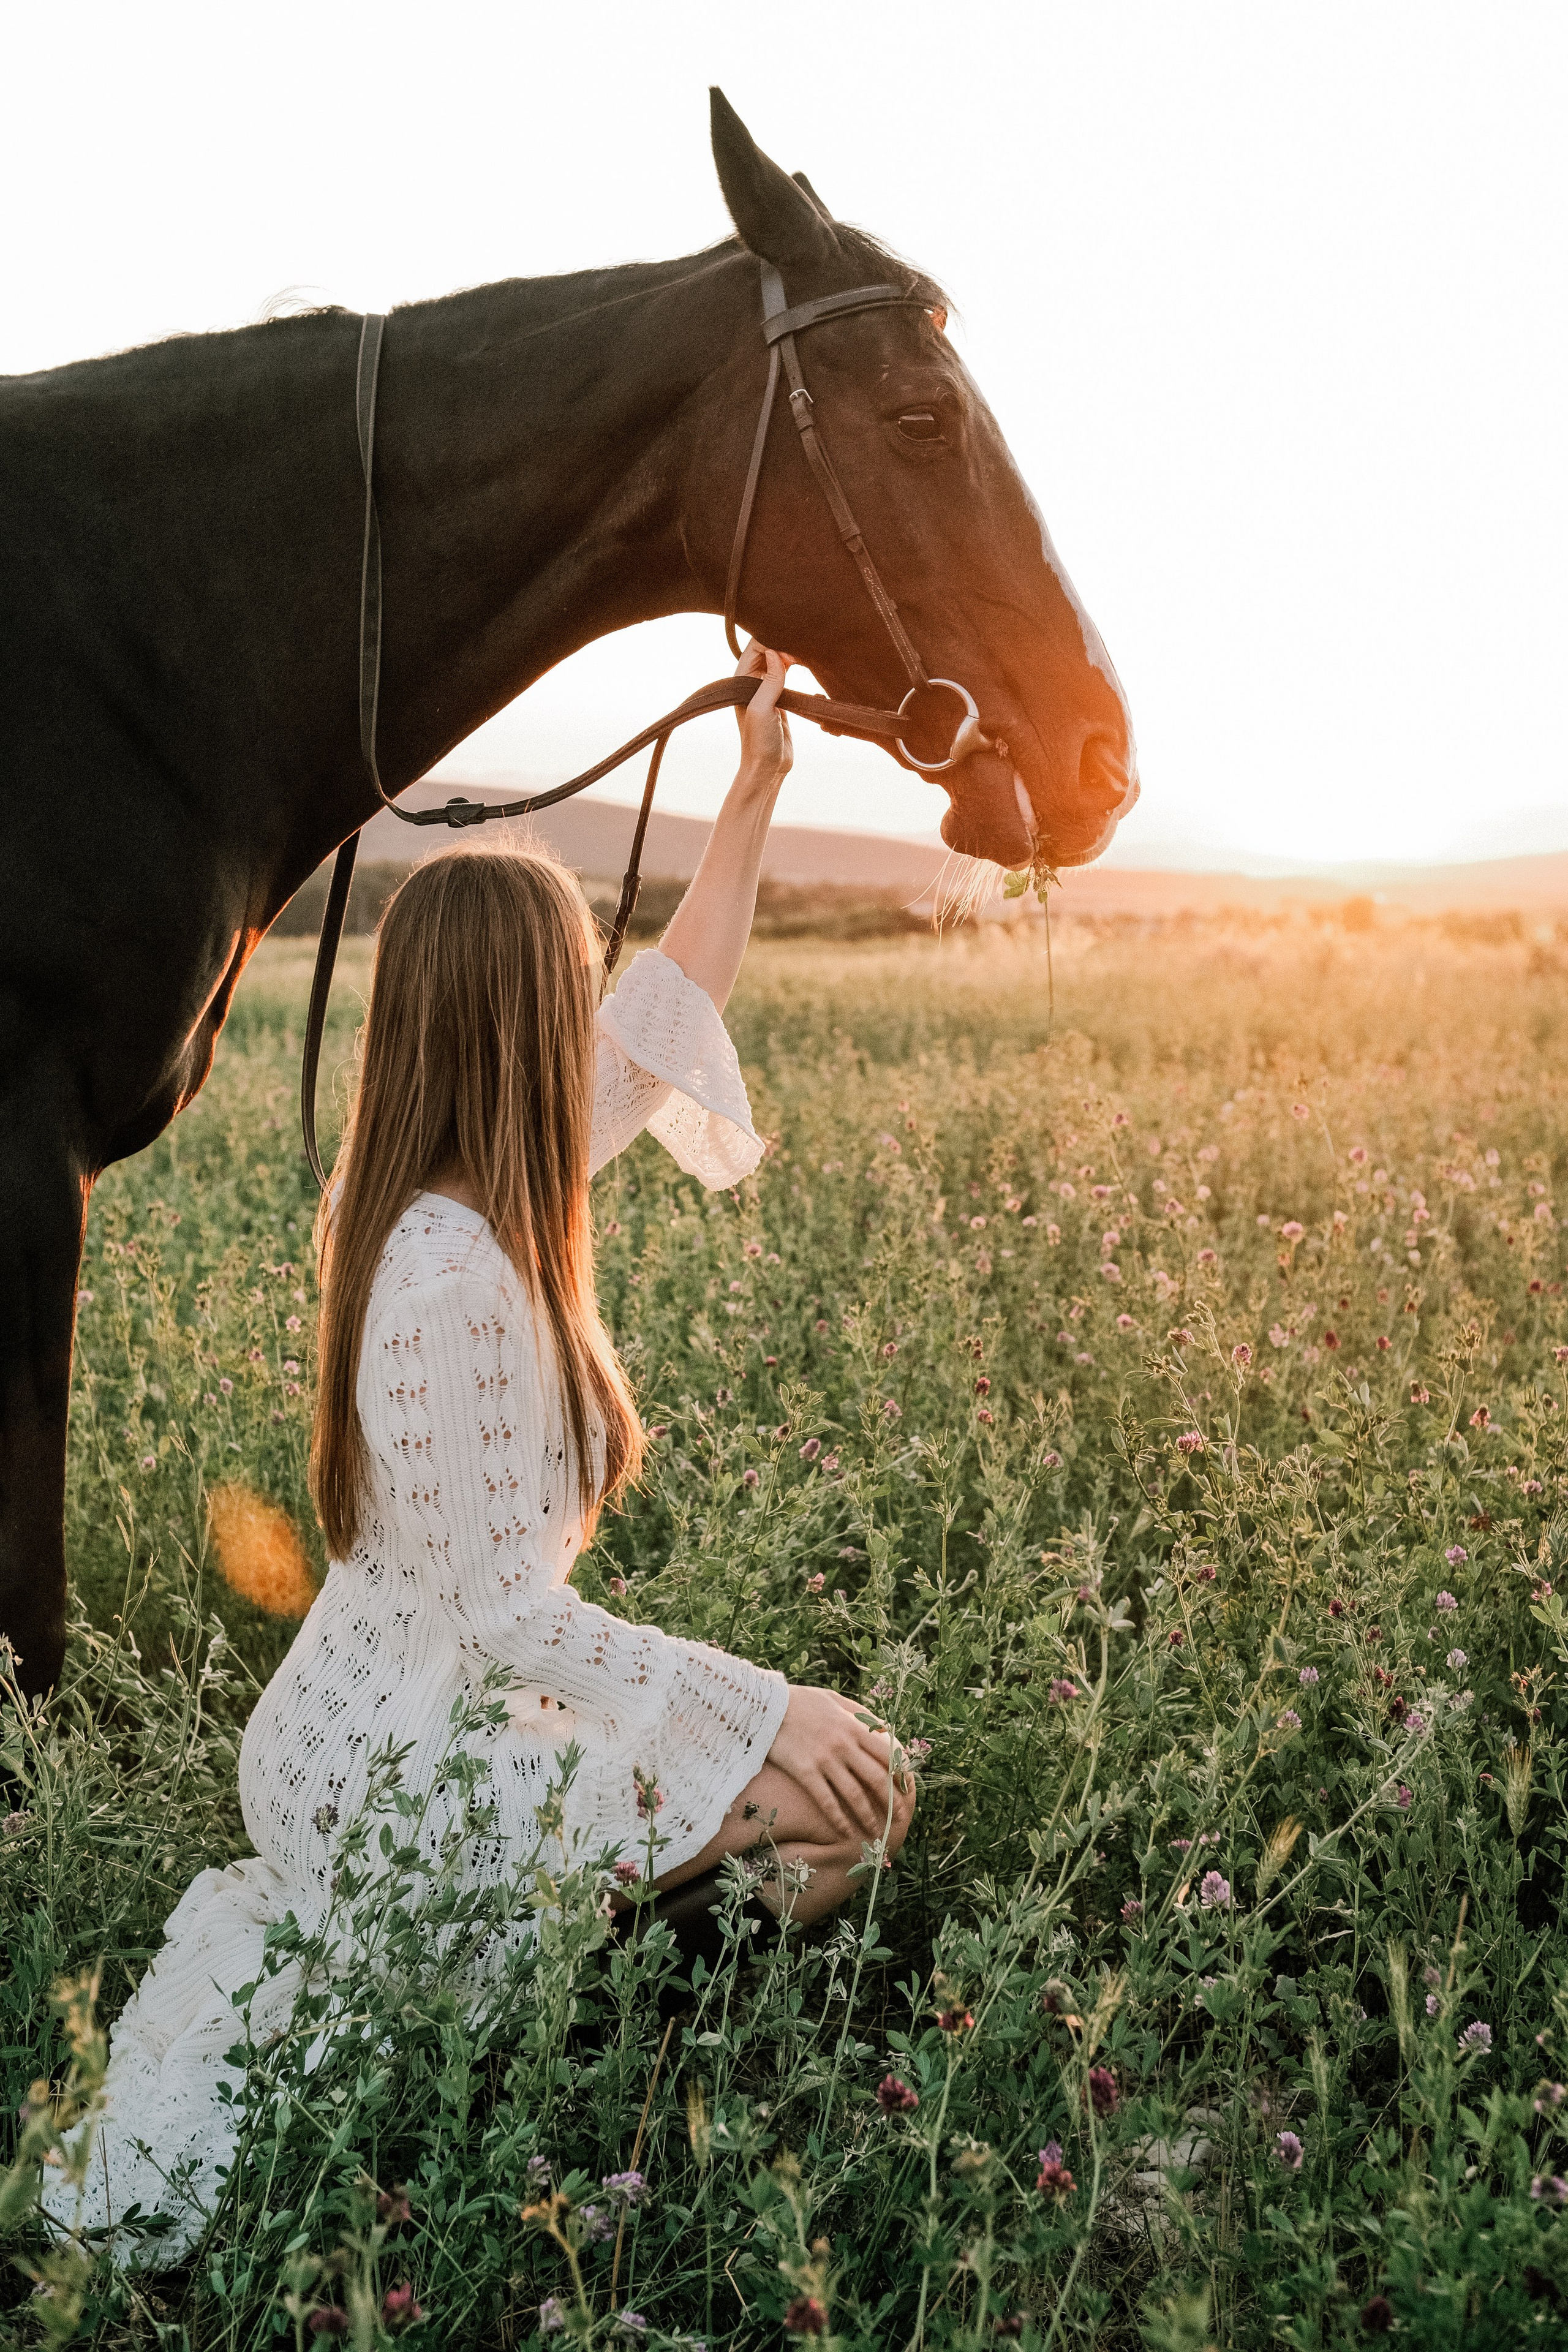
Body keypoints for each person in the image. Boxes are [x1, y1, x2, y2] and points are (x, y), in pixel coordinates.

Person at [44, 643, 914, 2260]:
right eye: (573, 979)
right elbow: (513, 1616)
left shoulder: (490, 1176)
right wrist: (764, 1703)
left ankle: (580, 1961)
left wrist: (753, 792)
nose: (597, 1002)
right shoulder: (446, 1272)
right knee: (839, 1803)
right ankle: (576, 2020)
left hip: (442, 1719)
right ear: (516, 1017)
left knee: (846, 1802)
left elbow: (671, 1020)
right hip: (389, 1771)